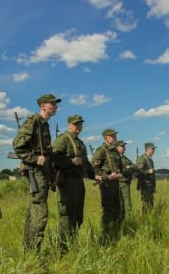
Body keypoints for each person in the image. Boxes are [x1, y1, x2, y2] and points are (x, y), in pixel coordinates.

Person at [12, 94, 61, 252]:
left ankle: (29, 250)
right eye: (52, 104)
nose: (56, 107)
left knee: (34, 211)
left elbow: (46, 154)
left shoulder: (44, 125)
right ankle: (34, 252)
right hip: (35, 171)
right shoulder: (34, 120)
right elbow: (18, 145)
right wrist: (33, 158)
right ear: (43, 106)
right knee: (40, 211)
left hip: (43, 172)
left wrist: (52, 177)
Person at [52, 115, 99, 253]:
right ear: (69, 125)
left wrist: (94, 175)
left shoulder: (80, 143)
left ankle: (72, 244)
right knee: (66, 216)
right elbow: (54, 158)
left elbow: (86, 163)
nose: (78, 126)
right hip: (66, 183)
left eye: (80, 124)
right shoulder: (62, 140)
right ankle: (62, 250)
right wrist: (71, 162)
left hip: (79, 183)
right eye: (75, 124)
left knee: (78, 216)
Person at [91, 129, 124, 244]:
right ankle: (105, 235)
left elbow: (120, 166)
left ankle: (115, 234)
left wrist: (120, 173)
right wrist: (107, 176)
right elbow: (93, 168)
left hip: (115, 184)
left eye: (115, 136)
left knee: (117, 209)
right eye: (112, 136)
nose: (115, 138)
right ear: (106, 138)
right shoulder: (101, 151)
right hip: (106, 184)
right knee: (108, 210)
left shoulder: (115, 151)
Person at [115, 140, 136, 213]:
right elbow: (117, 170)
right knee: (126, 202)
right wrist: (127, 168)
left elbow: (133, 165)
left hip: (126, 182)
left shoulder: (124, 157)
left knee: (126, 201)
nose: (124, 148)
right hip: (120, 182)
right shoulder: (115, 157)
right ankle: (126, 219)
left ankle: (125, 219)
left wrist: (129, 167)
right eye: (122, 146)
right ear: (116, 147)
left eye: (124, 146)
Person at [136, 142, 157, 213]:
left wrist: (154, 186)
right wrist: (148, 171)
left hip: (150, 185)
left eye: (154, 149)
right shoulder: (142, 158)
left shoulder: (150, 159)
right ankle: (145, 220)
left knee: (150, 204)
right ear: (147, 149)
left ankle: (149, 218)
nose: (154, 150)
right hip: (145, 185)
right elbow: (138, 171)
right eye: (152, 149)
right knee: (146, 204)